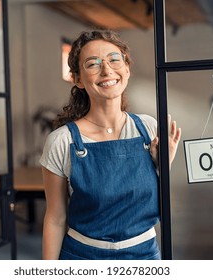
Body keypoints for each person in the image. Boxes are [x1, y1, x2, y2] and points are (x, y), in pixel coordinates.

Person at [39, 30, 181, 260]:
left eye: (114, 59)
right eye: (92, 64)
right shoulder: (62, 141)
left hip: (144, 256)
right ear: (77, 79)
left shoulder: (147, 128)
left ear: (127, 69)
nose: (106, 70)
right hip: (82, 258)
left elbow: (159, 204)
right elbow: (55, 218)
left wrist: (164, 164)